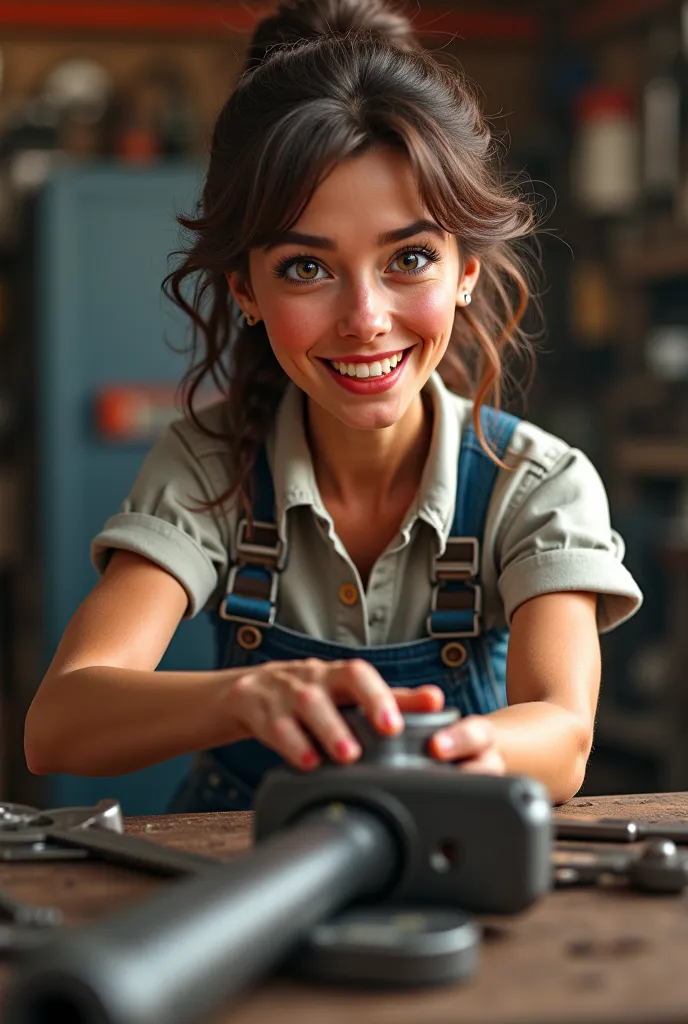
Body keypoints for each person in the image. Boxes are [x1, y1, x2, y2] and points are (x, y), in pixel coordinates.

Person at [24, 0, 642, 810]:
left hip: (450, 865)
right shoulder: (213, 466)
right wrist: (243, 697)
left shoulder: (536, 484)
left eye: (410, 257)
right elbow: (59, 724)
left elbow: (563, 739)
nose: (365, 319)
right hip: (236, 878)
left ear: (466, 273)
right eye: (306, 269)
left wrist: (431, 753)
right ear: (244, 288)